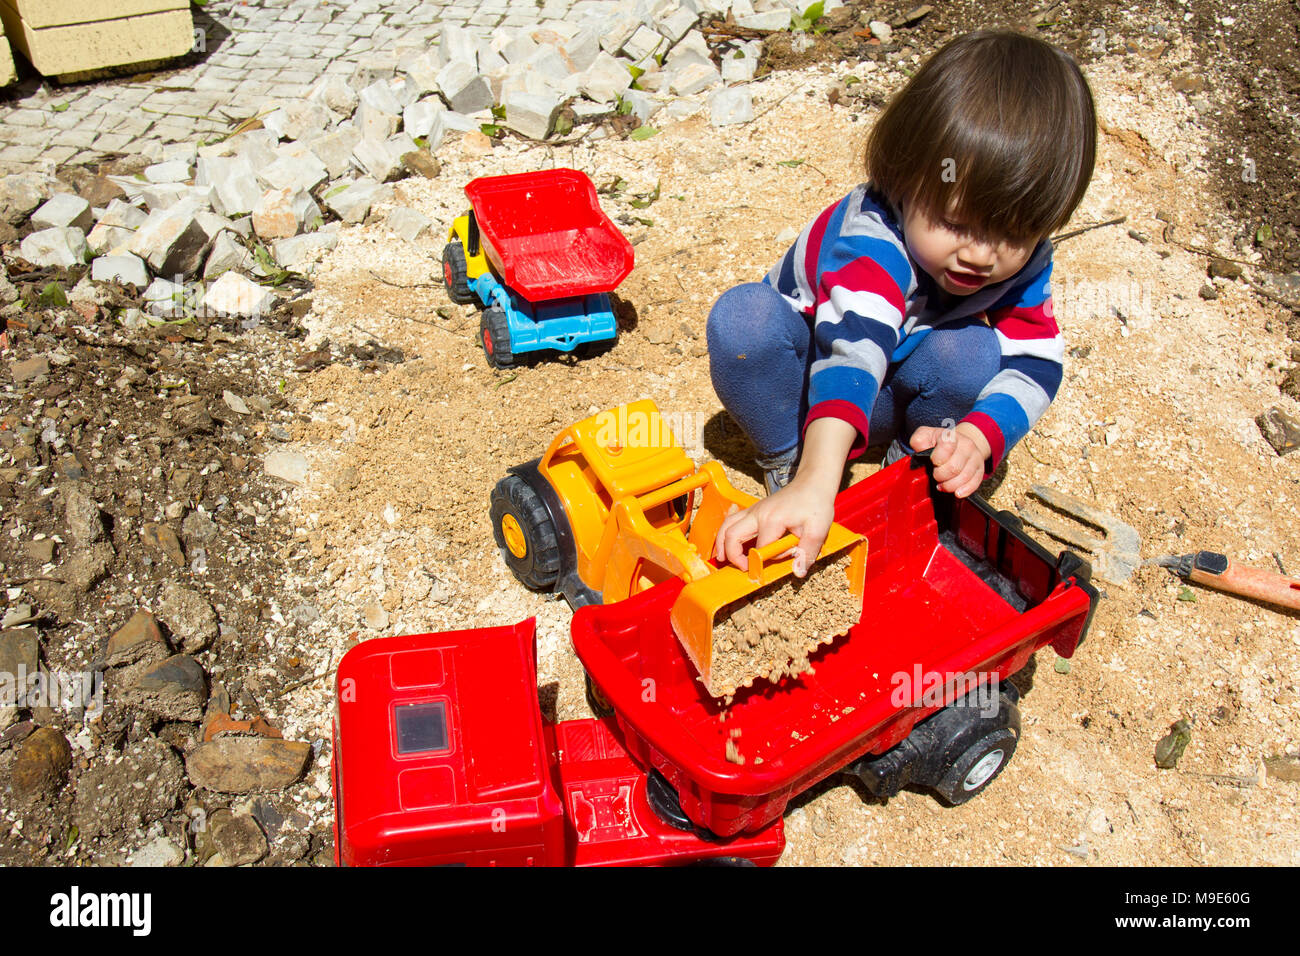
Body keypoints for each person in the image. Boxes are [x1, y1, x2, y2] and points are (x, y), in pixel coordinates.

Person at [707, 28, 1097, 577]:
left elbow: (1035, 360)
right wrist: (817, 481)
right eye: (956, 223)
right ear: (908, 177)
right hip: (806, 385)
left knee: (973, 352)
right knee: (743, 323)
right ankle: (790, 464)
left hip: (889, 397)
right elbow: (853, 348)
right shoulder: (875, 236)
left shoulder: (1025, 255)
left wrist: (979, 437)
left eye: (1013, 235)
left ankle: (903, 478)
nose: (980, 256)